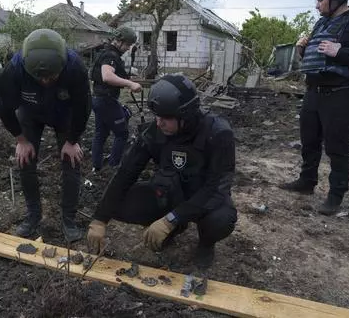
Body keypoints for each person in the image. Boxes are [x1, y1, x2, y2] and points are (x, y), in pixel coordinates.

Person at [86, 74, 238, 269]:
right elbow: (126, 173)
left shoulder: (218, 133)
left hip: (204, 197)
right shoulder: (154, 131)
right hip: (170, 192)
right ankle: (174, 229)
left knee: (221, 220)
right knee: (119, 204)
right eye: (157, 116)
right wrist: (100, 219)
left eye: (166, 118)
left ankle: (205, 244)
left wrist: (171, 219)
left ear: (185, 114)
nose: (159, 123)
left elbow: (217, 189)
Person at [280, 0, 349, 215]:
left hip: (340, 95)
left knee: (337, 147)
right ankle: (307, 182)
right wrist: (302, 50)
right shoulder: (322, 23)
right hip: (314, 92)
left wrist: (341, 52)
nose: (317, 5)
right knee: (309, 141)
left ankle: (335, 196)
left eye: (321, 0)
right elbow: (317, 55)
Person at [0, 28, 91, 242]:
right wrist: (21, 140)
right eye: (40, 77)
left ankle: (69, 220)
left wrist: (72, 141)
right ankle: (33, 215)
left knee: (72, 161)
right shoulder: (13, 70)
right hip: (30, 113)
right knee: (25, 160)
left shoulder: (75, 68)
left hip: (65, 114)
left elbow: (83, 107)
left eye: (52, 76)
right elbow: (3, 108)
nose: (46, 81)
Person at [90, 26, 143, 172]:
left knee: (101, 132)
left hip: (98, 99)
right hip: (106, 101)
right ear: (119, 41)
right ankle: (114, 166)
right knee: (122, 133)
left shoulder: (106, 52)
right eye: (127, 44)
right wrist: (130, 83)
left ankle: (96, 166)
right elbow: (107, 76)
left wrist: (128, 78)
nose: (128, 48)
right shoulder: (110, 55)